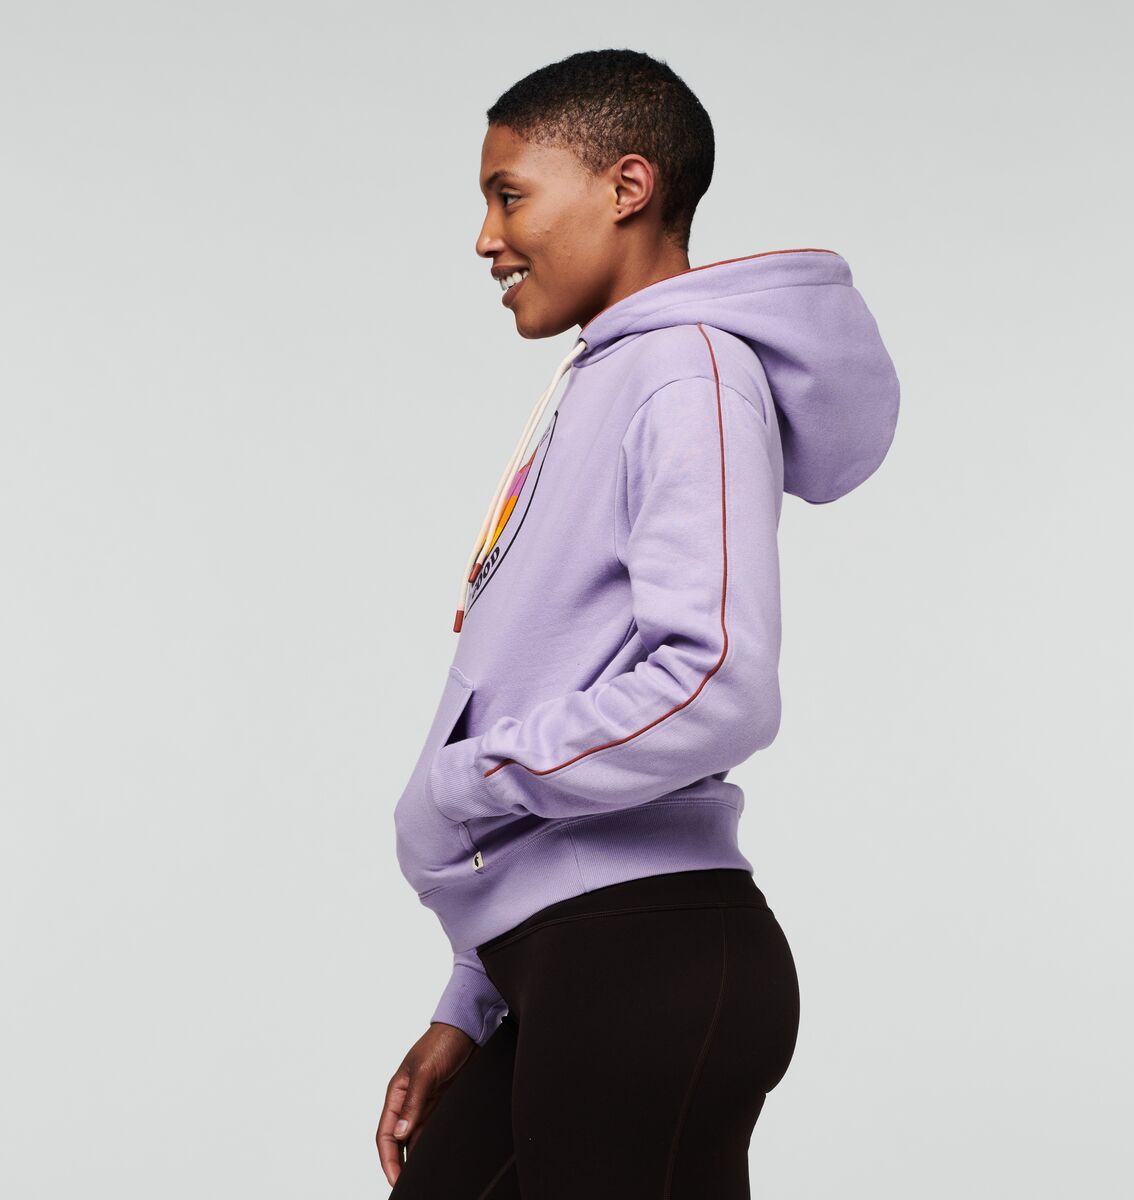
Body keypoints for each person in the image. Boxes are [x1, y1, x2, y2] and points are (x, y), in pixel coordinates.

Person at [377, 48, 900, 1199]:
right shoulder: (613, 374)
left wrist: (476, 775)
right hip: (569, 959)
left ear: (626, 186)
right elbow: (559, 664)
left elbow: (715, 681)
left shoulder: (688, 373)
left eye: (509, 195)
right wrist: (474, 995)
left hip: (642, 955)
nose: (486, 238)